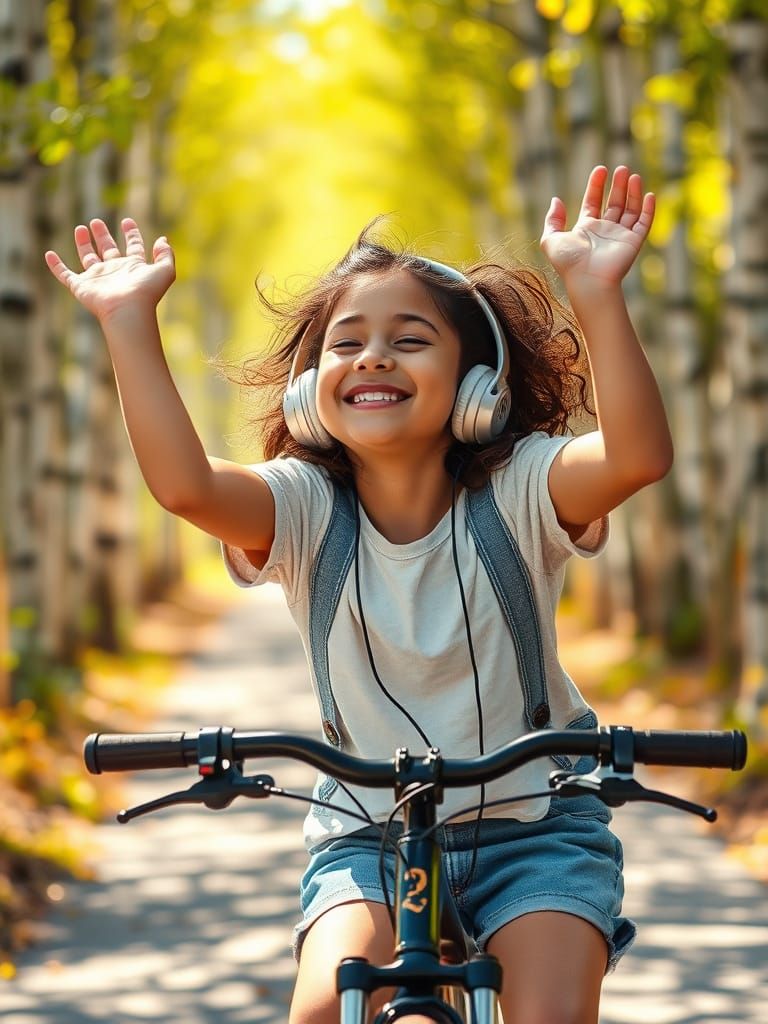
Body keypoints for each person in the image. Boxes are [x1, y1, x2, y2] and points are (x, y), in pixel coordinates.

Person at [45, 164, 673, 1024]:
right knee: (318, 1013)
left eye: (411, 339)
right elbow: (187, 487)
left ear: (478, 388)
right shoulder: (303, 504)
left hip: (539, 830)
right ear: (312, 392)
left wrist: (597, 294)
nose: (373, 355)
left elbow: (636, 457)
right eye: (347, 342)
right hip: (367, 838)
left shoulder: (523, 486)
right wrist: (127, 325)